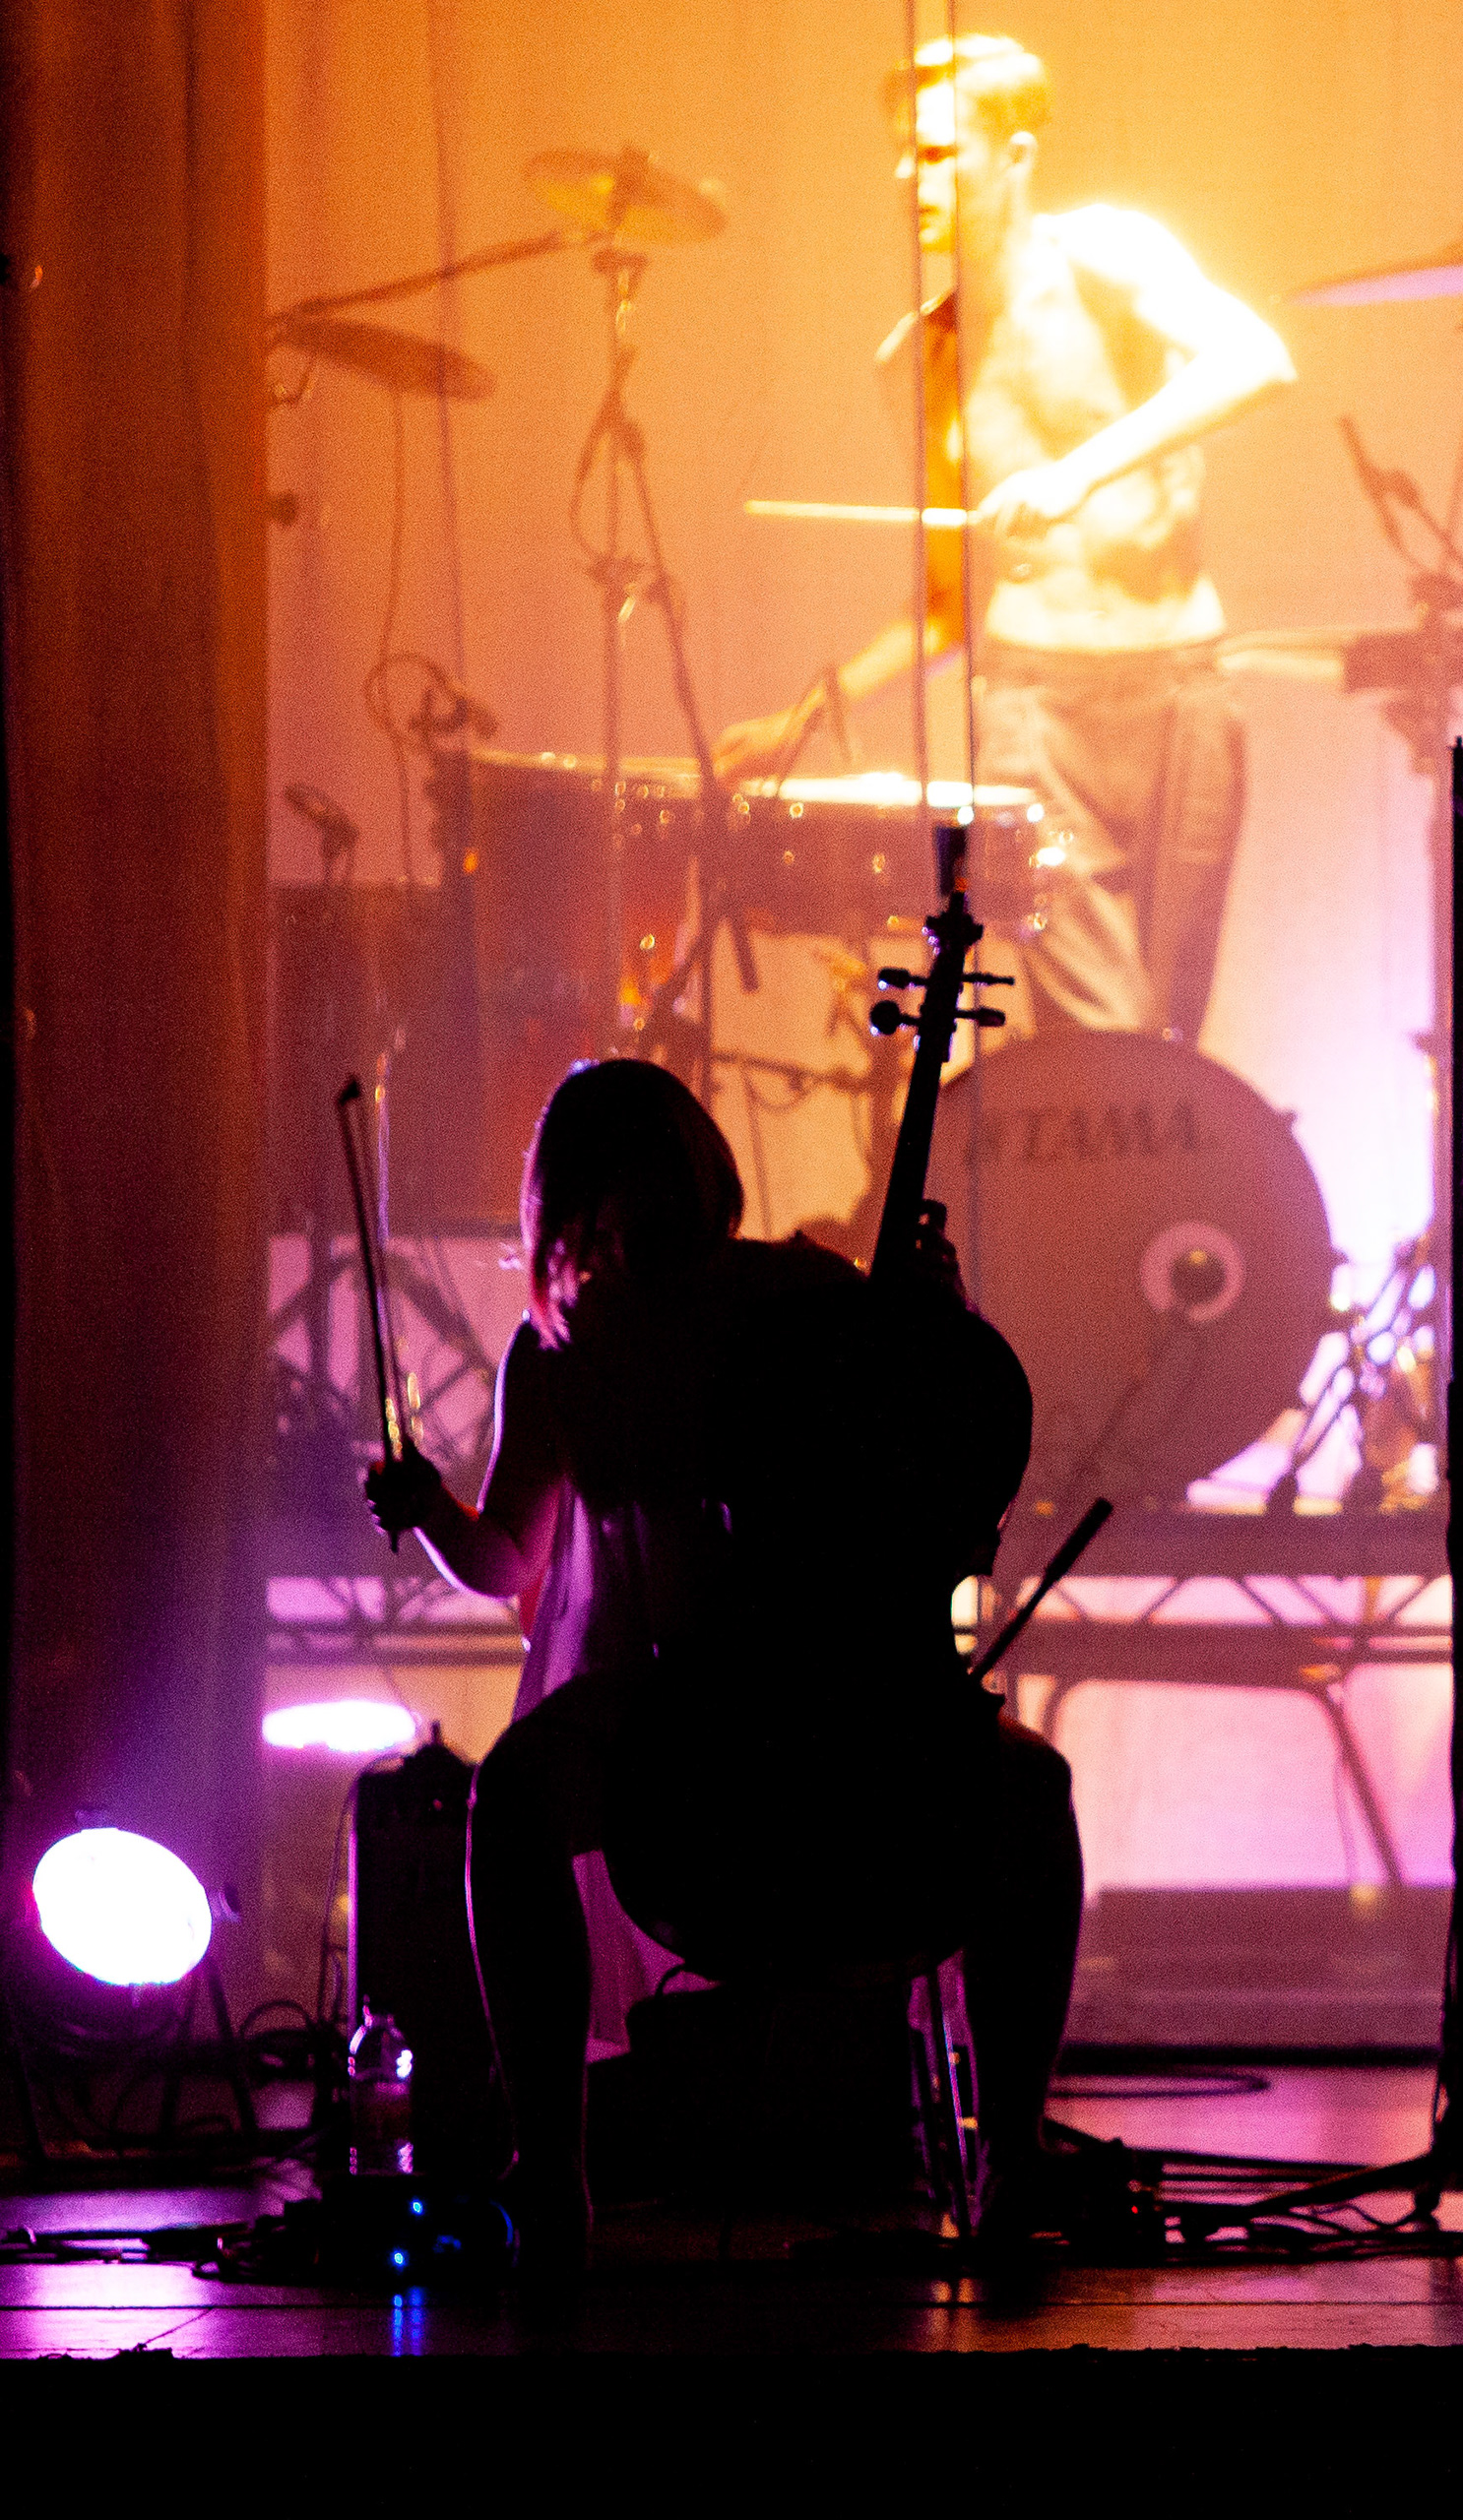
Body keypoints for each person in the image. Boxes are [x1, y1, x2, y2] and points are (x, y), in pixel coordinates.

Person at [364, 1059, 1081, 2272]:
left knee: (1028, 1792)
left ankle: (1011, 2149)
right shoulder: (570, 1353)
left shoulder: (789, 1298)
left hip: (810, 1684)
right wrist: (426, 1500)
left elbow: (920, 1444)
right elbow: (503, 1557)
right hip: (685, 1695)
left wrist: (932, 1324)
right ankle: (552, 2168)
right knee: (515, 1795)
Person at [719, 32, 1294, 1042]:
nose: (910, 177)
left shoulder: (1106, 257)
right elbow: (951, 599)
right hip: (1033, 708)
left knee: (1169, 1040)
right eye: (902, 153)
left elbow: (1257, 358)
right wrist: (812, 712)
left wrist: (1078, 471)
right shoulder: (916, 362)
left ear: (1016, 153)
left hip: (1181, 693)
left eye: (939, 153)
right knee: (1102, 1027)